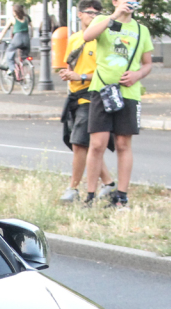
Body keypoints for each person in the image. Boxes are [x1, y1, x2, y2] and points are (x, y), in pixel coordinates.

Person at [77, 0, 153, 209]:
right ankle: (90, 195)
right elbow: (87, 36)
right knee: (97, 144)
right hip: (102, 90)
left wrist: (137, 74)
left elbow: (147, 63)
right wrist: (114, 16)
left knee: (123, 144)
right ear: (115, 2)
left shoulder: (141, 30)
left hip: (128, 93)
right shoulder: (103, 20)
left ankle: (121, 196)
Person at [55, 0, 115, 203]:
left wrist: (80, 77)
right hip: (75, 96)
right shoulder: (74, 39)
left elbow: (106, 71)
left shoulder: (103, 40)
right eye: (90, 12)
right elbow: (72, 65)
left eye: (98, 13)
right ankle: (108, 183)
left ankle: (73, 188)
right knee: (83, 145)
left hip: (92, 95)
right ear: (79, 14)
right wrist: (68, 74)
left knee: (80, 143)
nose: (94, 16)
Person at [0, 4, 31, 71]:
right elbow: (32, 28)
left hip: (17, 38)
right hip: (26, 38)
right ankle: (26, 68)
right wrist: (31, 36)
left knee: (9, 51)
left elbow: (4, 30)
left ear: (14, 12)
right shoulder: (26, 18)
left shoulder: (13, 19)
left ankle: (11, 69)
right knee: (24, 56)